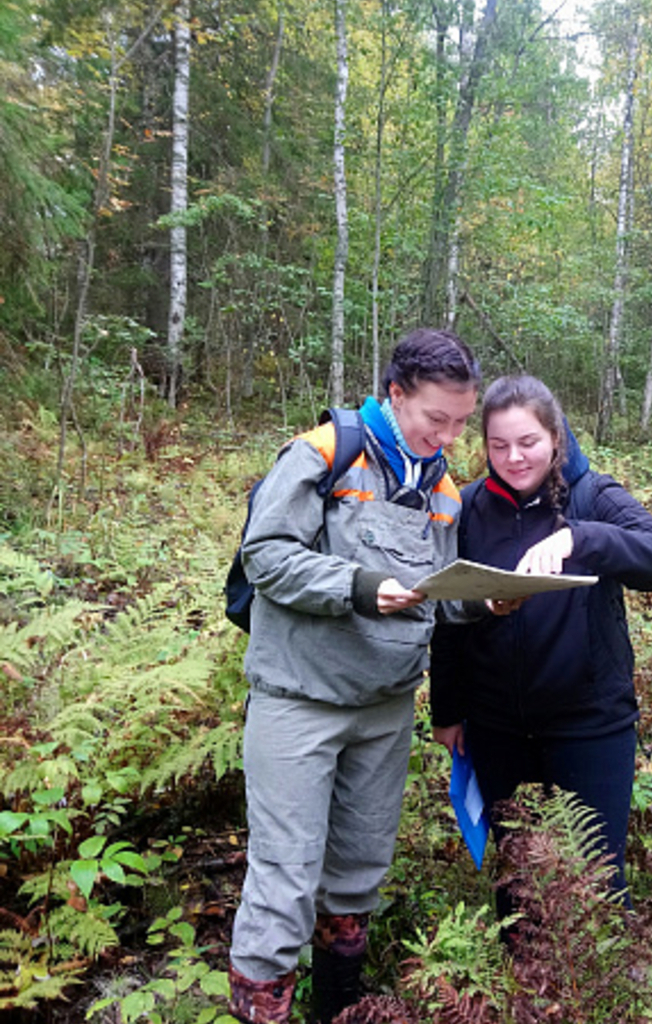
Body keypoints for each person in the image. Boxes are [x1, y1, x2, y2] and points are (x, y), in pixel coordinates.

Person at [228, 328, 484, 1024]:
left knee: (358, 875)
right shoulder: (322, 457)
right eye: (438, 419)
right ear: (395, 394)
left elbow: (440, 591)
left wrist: (485, 598)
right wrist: (360, 585)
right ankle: (264, 1006)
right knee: (284, 877)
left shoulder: (444, 491)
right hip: (297, 701)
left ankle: (336, 1010)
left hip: (385, 709)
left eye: (462, 422)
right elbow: (268, 557)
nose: (451, 437)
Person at [430, 374, 652, 916]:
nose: (514, 458)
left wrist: (582, 538)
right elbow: (449, 616)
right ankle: (523, 993)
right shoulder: (469, 507)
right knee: (519, 876)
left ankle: (601, 995)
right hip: (496, 725)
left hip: (589, 722)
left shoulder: (593, 494)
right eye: (499, 446)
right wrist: (447, 711)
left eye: (528, 443)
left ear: (555, 437)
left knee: (595, 875)